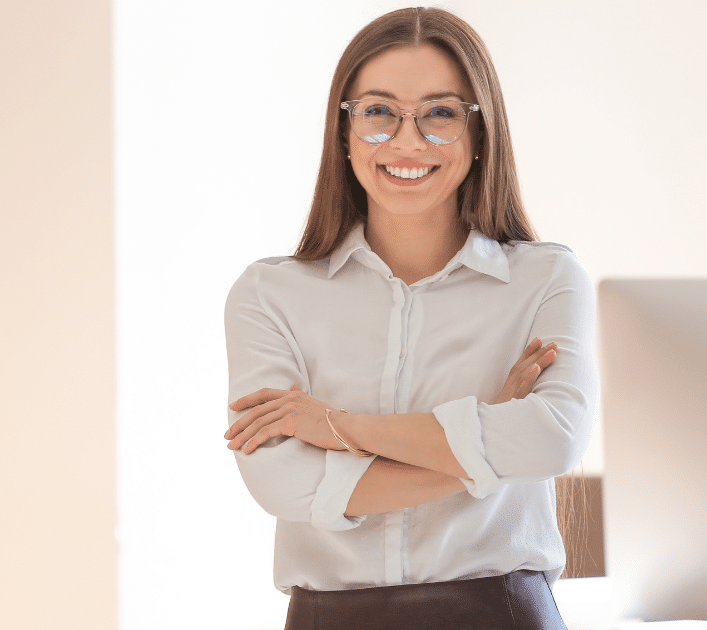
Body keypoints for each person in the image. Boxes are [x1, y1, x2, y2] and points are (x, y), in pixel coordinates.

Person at [221, 7, 598, 630]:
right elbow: (283, 484)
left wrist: (336, 427)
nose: (407, 140)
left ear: (480, 133)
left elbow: (551, 438)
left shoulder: (547, 280)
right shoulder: (269, 295)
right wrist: (482, 445)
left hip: (501, 614)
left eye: (440, 113)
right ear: (343, 134)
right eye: (377, 112)